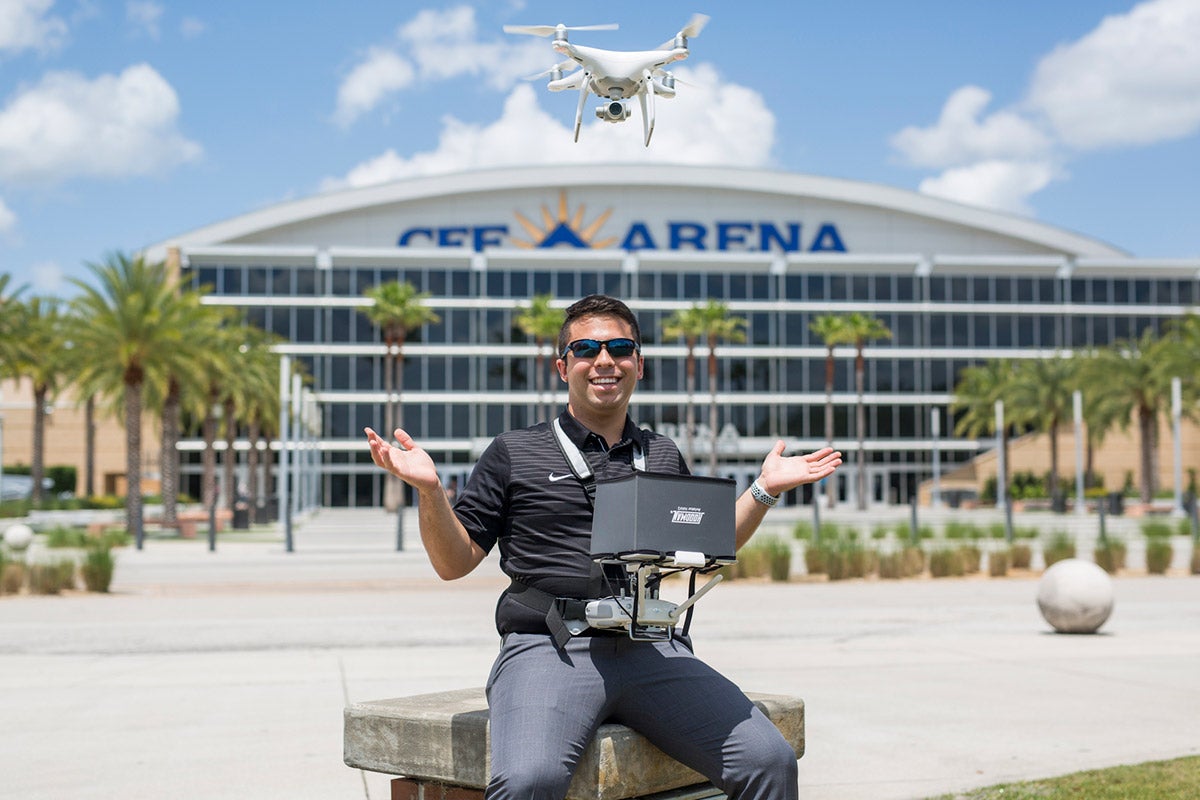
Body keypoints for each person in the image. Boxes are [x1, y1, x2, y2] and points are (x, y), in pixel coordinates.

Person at [365, 294, 841, 800]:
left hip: (651, 646)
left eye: (619, 347)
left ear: (639, 363)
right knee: (528, 781)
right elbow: (452, 563)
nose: (604, 360)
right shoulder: (514, 451)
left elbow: (707, 540)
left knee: (769, 761)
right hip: (550, 648)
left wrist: (764, 489)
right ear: (562, 366)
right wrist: (431, 492)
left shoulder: (659, 453)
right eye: (587, 348)